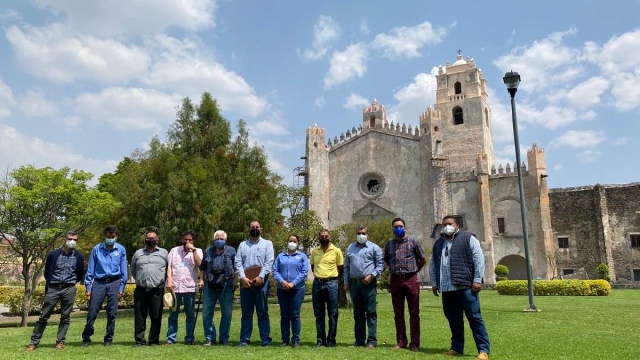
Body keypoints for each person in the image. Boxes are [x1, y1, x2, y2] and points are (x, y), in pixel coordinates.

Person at [430, 216, 491, 360]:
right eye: (444, 224)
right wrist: (434, 282)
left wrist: (477, 279)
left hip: (465, 286)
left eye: (450, 224)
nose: (447, 227)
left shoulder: (468, 238)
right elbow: (433, 264)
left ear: (456, 225)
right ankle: (456, 348)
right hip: (447, 288)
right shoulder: (438, 243)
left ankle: (483, 350)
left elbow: (478, 258)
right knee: (453, 319)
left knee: (474, 318)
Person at [26, 231, 85, 351]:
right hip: (53, 287)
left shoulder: (79, 256)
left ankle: (60, 341)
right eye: (70, 239)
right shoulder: (53, 254)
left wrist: (71, 283)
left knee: (65, 317)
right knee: (44, 316)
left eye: (75, 240)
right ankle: (34, 342)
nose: (72, 241)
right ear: (65, 239)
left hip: (69, 288)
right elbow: (48, 272)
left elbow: (80, 273)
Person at [383, 217, 426, 352]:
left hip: (410, 279)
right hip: (396, 280)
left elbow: (422, 258)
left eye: (400, 226)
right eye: (395, 226)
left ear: (405, 228)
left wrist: (414, 271)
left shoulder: (413, 242)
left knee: (414, 312)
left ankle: (414, 343)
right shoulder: (389, 244)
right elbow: (387, 260)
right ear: (392, 229)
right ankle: (401, 341)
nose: (398, 228)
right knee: (398, 313)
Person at [82, 225, 128, 347]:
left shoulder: (121, 250)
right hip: (99, 283)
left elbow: (124, 271)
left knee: (112, 313)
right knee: (92, 312)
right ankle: (86, 337)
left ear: (116, 236)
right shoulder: (96, 249)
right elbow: (90, 270)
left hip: (115, 282)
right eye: (108, 237)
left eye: (112, 237)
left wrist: (121, 287)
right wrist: (88, 287)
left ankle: (108, 338)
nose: (110, 239)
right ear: (105, 236)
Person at [343, 225, 384, 349]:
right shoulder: (350, 248)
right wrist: (346, 283)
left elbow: (381, 265)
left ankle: (372, 341)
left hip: (369, 284)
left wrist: (372, 275)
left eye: (363, 233)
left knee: (371, 312)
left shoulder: (374, 248)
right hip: (355, 284)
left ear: (368, 235)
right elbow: (346, 267)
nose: (361, 235)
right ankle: (359, 341)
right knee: (358, 313)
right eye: (359, 233)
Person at [235, 221, 274, 347]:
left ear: (261, 229)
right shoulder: (242, 245)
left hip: (261, 283)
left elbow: (269, 262)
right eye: (252, 227)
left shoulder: (267, 244)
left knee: (262, 312)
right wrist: (242, 278)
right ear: (249, 229)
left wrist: (261, 277)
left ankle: (265, 339)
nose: (255, 229)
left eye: (257, 227)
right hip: (245, 283)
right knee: (246, 313)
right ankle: (244, 340)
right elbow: (238, 262)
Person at [131, 231, 169, 347]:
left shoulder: (164, 253)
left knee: (156, 316)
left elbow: (168, 269)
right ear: (145, 240)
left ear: (157, 240)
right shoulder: (138, 253)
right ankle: (139, 340)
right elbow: (133, 270)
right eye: (148, 238)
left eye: (153, 238)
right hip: (141, 289)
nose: (150, 240)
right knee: (140, 316)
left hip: (157, 290)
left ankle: (153, 340)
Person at [199, 230, 237, 346]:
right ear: (214, 240)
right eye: (217, 239)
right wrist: (201, 280)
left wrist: (236, 280)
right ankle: (210, 338)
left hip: (226, 285)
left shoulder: (231, 251)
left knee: (227, 313)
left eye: (221, 239)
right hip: (210, 286)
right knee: (206, 313)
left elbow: (236, 267)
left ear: (225, 240)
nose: (219, 241)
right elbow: (202, 268)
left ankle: (224, 338)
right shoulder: (208, 251)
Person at [165, 230, 203, 345]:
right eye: (186, 239)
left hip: (189, 288)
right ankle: (171, 339)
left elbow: (200, 264)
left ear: (193, 241)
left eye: (190, 240)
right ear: (182, 239)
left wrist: (193, 250)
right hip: (175, 287)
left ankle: (189, 338)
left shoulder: (198, 251)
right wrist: (169, 280)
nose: (187, 241)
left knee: (190, 315)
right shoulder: (174, 250)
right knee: (173, 315)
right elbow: (170, 266)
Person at [273, 234, 309, 348]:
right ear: (287, 242)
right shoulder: (280, 256)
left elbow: (304, 272)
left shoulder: (302, 256)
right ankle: (285, 340)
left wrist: (293, 283)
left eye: (294, 241)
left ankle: (296, 340)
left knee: (295, 315)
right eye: (290, 241)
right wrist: (282, 282)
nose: (292, 243)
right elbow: (275, 270)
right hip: (282, 289)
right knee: (284, 315)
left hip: (297, 289)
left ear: (298, 243)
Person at [310, 229, 344, 348]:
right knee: (319, 314)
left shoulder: (337, 251)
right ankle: (320, 340)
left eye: (326, 236)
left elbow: (340, 268)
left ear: (330, 237)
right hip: (318, 284)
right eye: (322, 236)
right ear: (318, 238)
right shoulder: (314, 251)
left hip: (332, 283)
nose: (324, 238)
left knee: (333, 313)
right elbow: (313, 267)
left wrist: (331, 278)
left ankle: (331, 340)